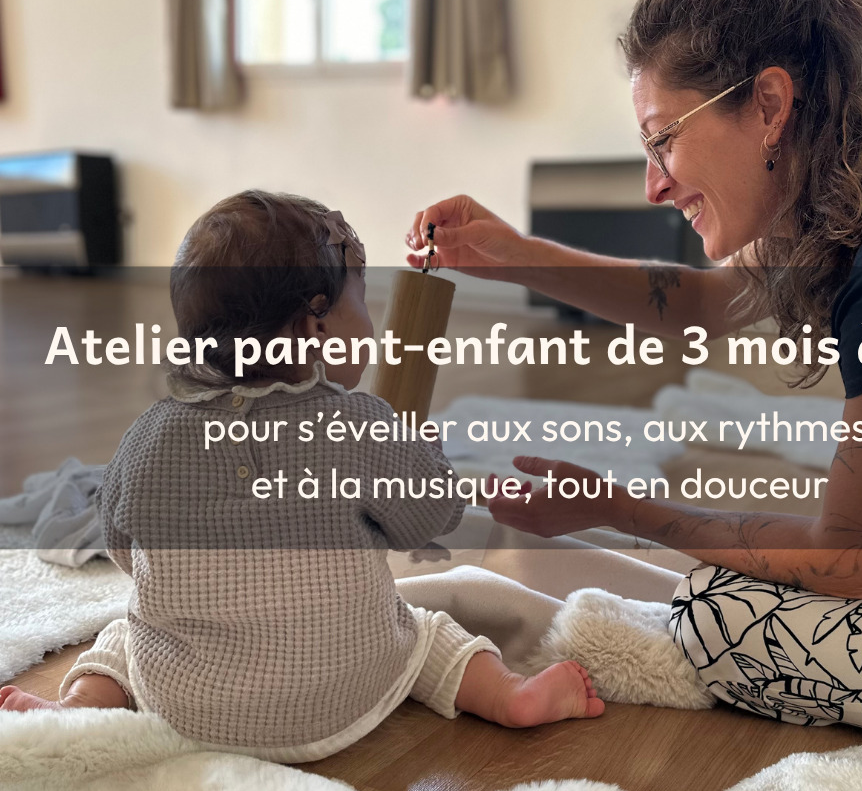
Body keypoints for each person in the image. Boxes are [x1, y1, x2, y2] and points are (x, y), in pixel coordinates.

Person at [405, 0, 862, 764]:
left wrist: (619, 509)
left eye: (664, 139)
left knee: (722, 615)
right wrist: (511, 254)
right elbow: (700, 305)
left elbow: (847, 562)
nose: (653, 184)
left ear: (768, 104)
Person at [0, 192, 603, 755]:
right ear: (318, 324)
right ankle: (508, 696)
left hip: (191, 706)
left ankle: (76, 708)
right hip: (344, 696)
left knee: (126, 635)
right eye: (361, 300)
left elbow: (124, 547)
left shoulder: (145, 439)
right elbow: (432, 518)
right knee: (424, 633)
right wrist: (422, 455)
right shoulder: (363, 426)